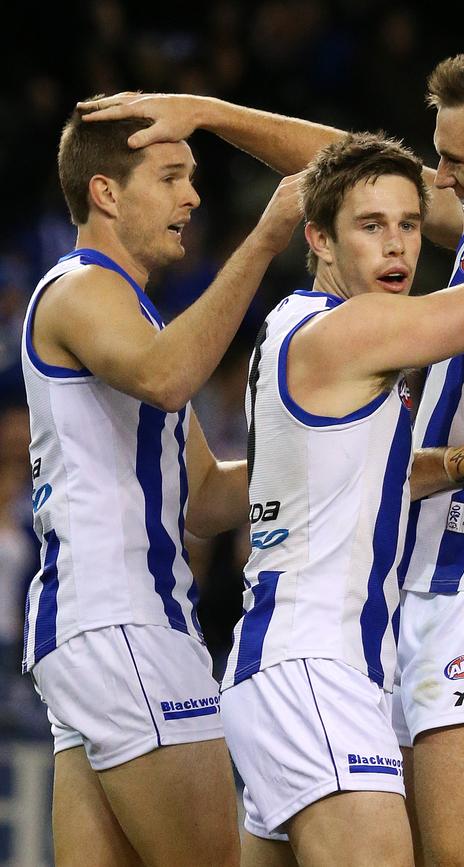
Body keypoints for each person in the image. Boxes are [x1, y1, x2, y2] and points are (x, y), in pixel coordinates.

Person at [79, 44, 464, 866]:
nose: (438, 184)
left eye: (453, 163)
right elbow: (355, 178)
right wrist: (210, 114)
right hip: (379, 614)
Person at [220, 98, 464, 864]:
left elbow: (364, 479)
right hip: (317, 672)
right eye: (370, 226)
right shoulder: (356, 329)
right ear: (319, 238)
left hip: (284, 670)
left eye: (410, 222)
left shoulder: (292, 324)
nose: (398, 243)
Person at [21, 104, 302, 867]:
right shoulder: (80, 287)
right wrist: (268, 236)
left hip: (100, 628)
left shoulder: (134, 312)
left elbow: (205, 496)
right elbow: (170, 377)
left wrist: (343, 463)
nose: (193, 198)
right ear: (106, 192)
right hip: (124, 623)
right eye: (173, 177)